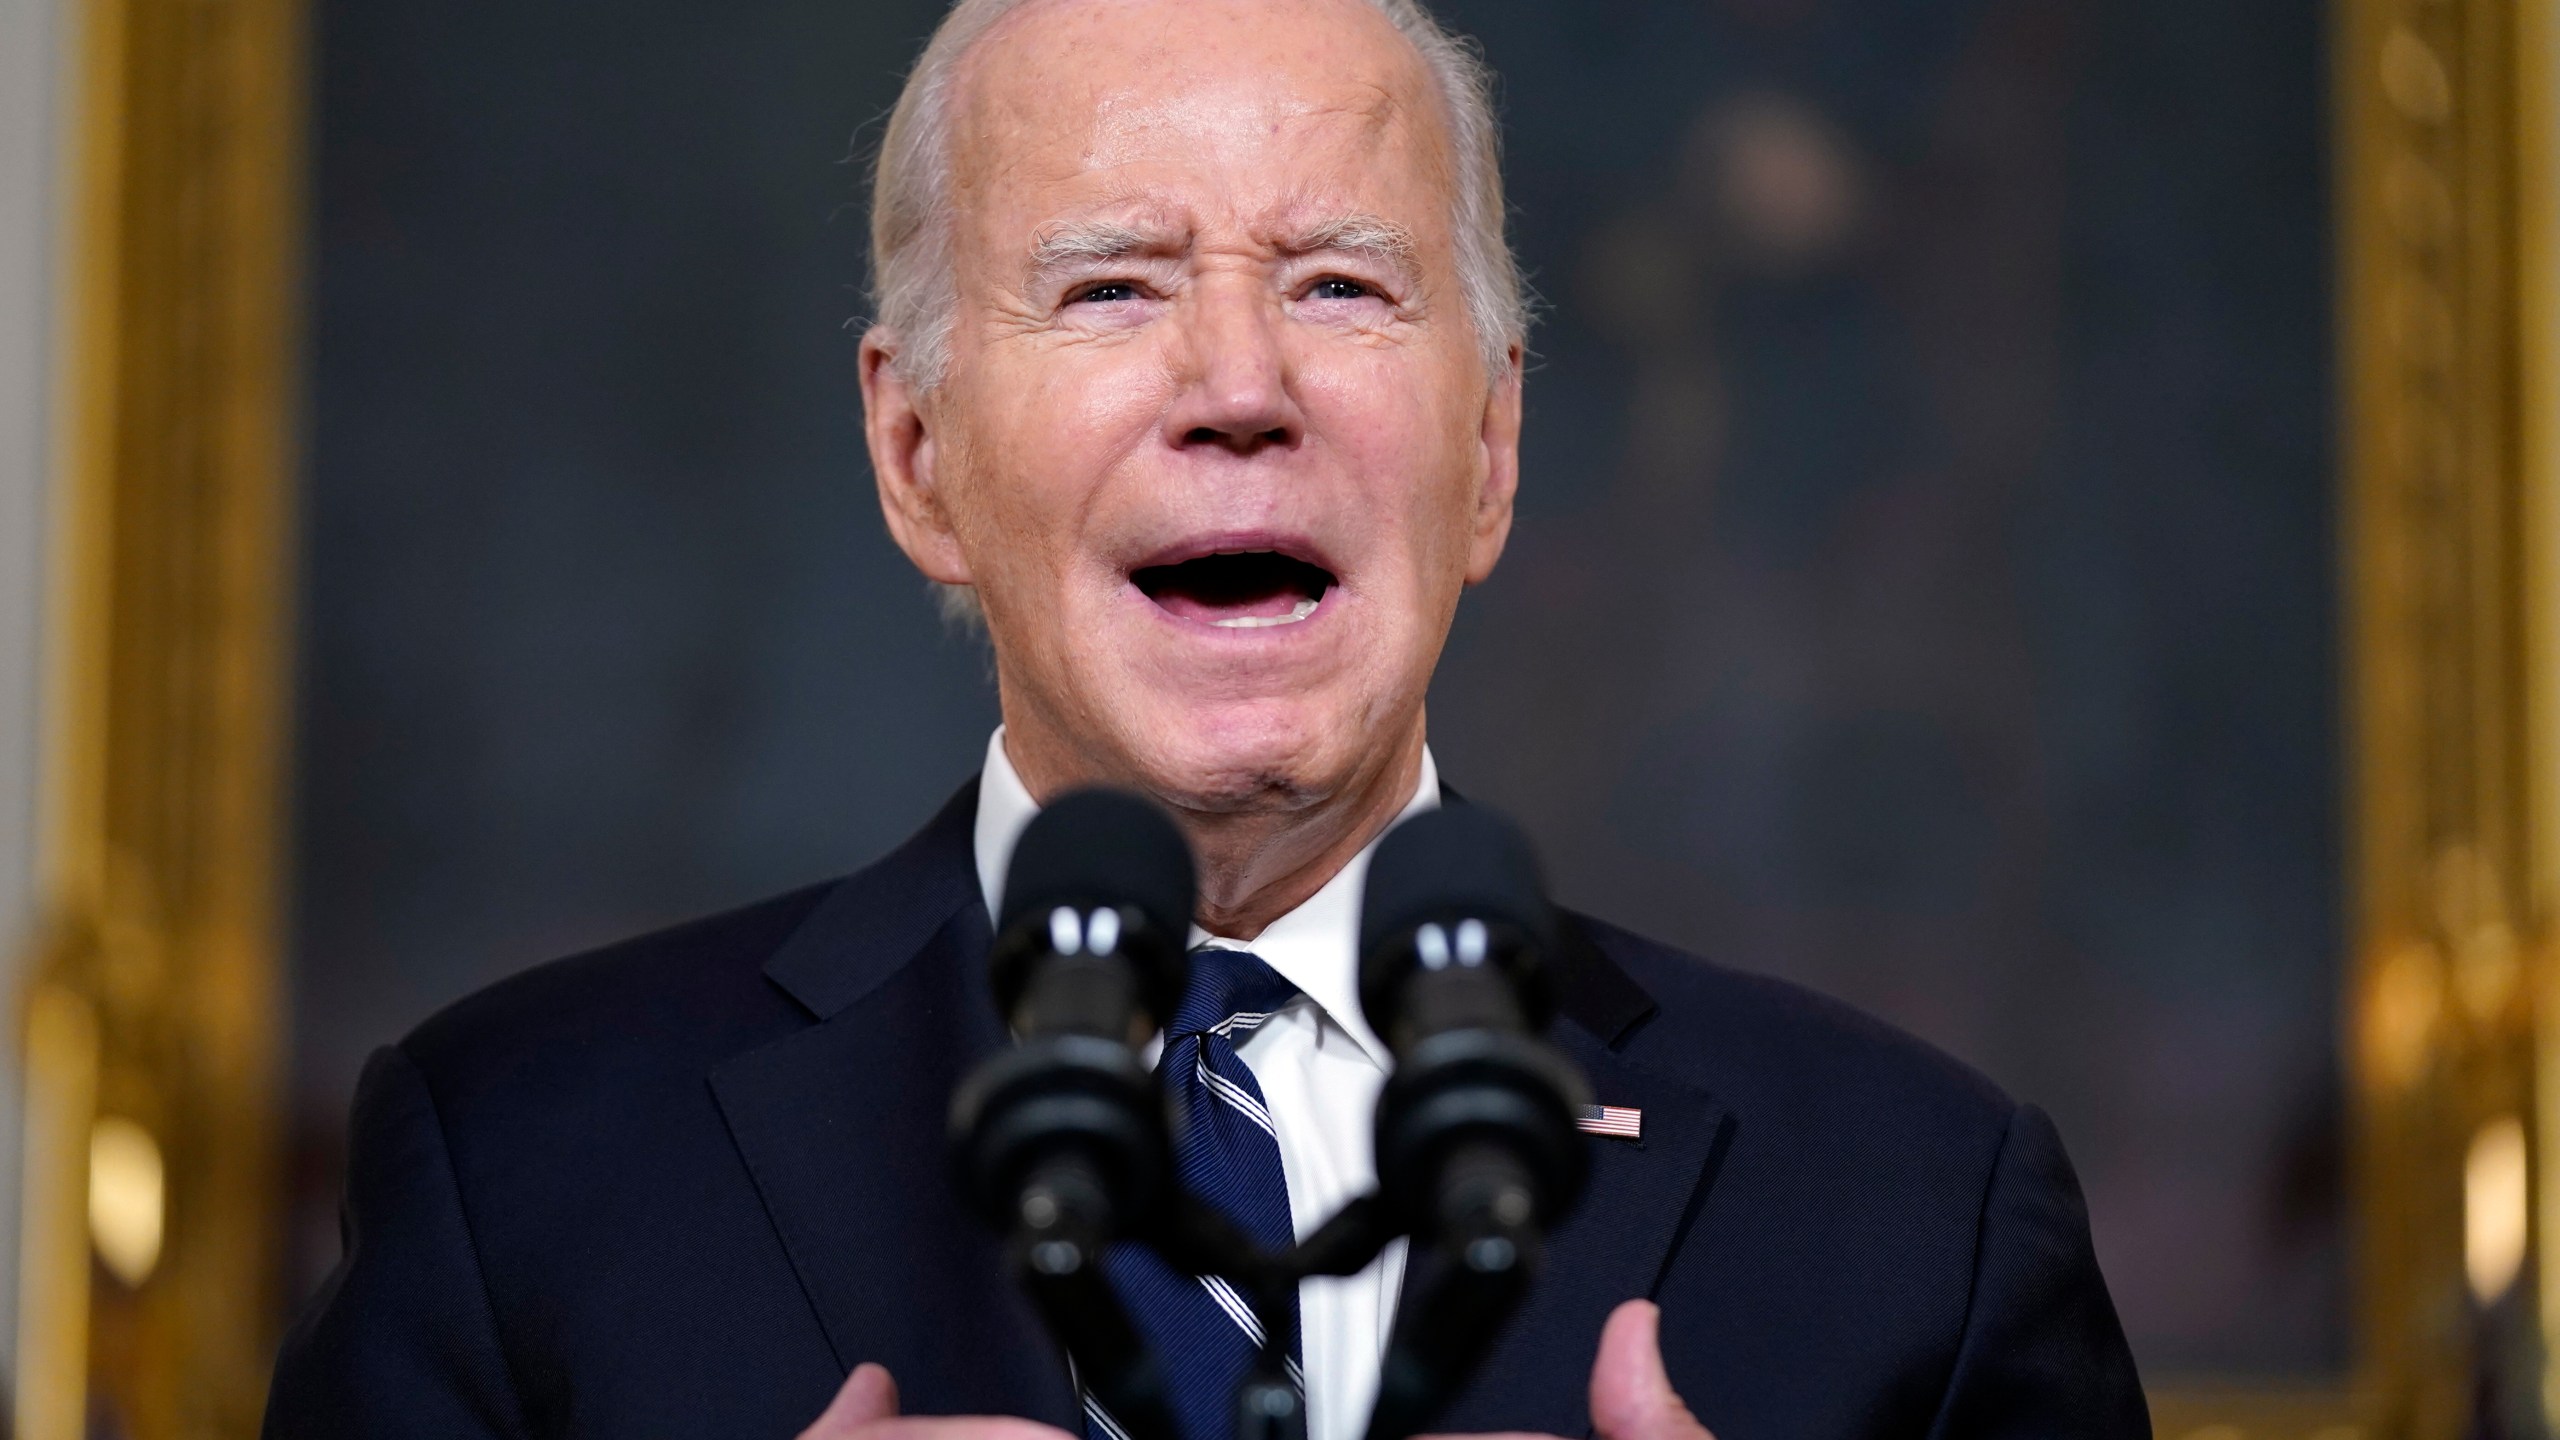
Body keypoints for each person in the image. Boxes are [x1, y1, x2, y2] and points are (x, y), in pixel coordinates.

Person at [263, 0, 2149, 1436]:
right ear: (916, 454)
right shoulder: (525, 1165)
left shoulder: (1926, 1209)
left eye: (1340, 284)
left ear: (1490, 450)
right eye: (1111, 288)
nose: (1241, 384)